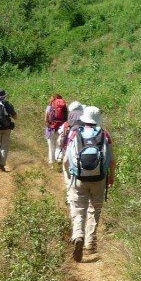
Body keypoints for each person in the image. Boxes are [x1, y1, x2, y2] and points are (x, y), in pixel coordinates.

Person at [62, 106, 114, 262]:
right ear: (98, 120)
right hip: (99, 178)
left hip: (78, 178)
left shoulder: (74, 133)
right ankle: (90, 243)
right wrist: (111, 177)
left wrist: (69, 174)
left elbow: (66, 160)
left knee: (78, 208)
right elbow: (111, 160)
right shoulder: (105, 135)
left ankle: (78, 235)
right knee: (94, 209)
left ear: (84, 119)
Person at [44, 94, 68, 165]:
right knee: (59, 145)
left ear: (53, 99)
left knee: (51, 146)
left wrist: (49, 124)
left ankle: (51, 163)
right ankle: (59, 161)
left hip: (51, 128)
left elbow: (46, 119)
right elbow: (66, 119)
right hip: (61, 128)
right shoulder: (64, 107)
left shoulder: (49, 107)